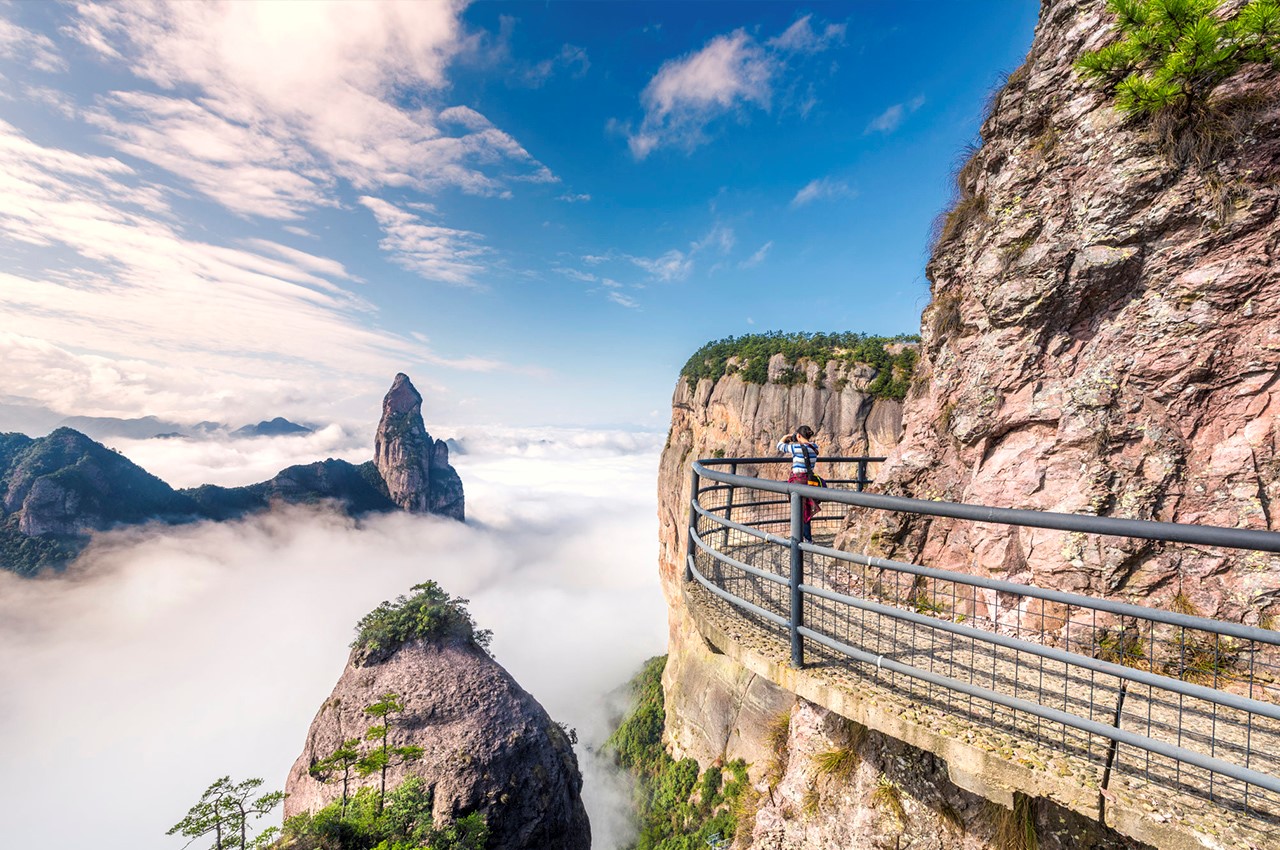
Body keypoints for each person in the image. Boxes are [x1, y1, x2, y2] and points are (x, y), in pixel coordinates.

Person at [778, 425, 820, 543]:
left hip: (798, 482)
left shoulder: (796, 448)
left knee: (799, 511)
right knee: (805, 509)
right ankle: (806, 538)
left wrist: (786, 437)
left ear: (799, 435)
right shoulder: (814, 447)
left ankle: (803, 539)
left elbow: (780, 446)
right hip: (809, 481)